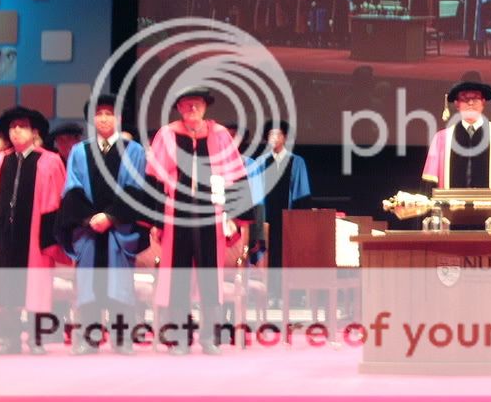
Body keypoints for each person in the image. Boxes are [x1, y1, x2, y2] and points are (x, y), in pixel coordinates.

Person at [147, 88, 253, 354]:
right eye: (186, 104)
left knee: (209, 276)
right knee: (178, 276)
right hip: (176, 214)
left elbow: (236, 177)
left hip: (211, 213)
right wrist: (156, 220)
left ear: (205, 107)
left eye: (197, 104)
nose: (192, 108)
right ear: (179, 108)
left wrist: (234, 216)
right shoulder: (167, 135)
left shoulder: (220, 135)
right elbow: (155, 181)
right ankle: (180, 338)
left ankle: (209, 338)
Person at [0, 107, 66, 355]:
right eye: (12, 127)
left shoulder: (50, 162)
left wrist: (51, 238)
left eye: (22, 126)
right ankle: (9, 339)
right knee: (5, 286)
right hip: (3, 236)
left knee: (36, 287)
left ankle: (36, 339)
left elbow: (57, 201)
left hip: (36, 237)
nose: (16, 131)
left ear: (34, 132)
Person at [57, 94, 148, 354]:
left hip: (119, 231)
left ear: (118, 117)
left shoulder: (134, 151)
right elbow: (72, 189)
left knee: (120, 286)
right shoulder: (79, 151)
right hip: (88, 231)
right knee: (89, 286)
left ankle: (122, 339)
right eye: (99, 114)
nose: (104, 118)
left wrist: (110, 217)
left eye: (109, 113)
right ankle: (89, 339)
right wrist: (90, 219)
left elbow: (135, 190)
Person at [421, 81, 491, 199]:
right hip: (450, 207)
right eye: (465, 99)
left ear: (483, 102)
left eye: (475, 98)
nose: (470, 103)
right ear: (457, 104)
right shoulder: (441, 139)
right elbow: (429, 184)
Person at [250, 121, 312, 304]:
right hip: (267, 216)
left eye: (278, 134)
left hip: (289, 217)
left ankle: (291, 294)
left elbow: (302, 193)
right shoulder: (260, 163)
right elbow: (255, 193)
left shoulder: (296, 162)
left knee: (288, 253)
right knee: (268, 253)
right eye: (270, 135)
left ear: (285, 137)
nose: (274, 138)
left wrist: (299, 221)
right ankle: (269, 292)